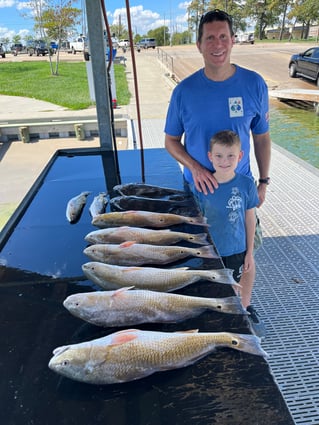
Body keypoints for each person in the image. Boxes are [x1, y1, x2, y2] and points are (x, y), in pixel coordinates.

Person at [164, 9, 271, 336]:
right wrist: (195, 167)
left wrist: (263, 181)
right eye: (210, 37)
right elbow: (170, 141)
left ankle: (244, 306)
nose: (217, 43)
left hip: (237, 194)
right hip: (196, 195)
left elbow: (262, 137)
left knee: (243, 255)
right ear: (199, 44)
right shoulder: (184, 91)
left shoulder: (254, 84)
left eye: (223, 36)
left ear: (233, 40)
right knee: (200, 257)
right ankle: (206, 308)